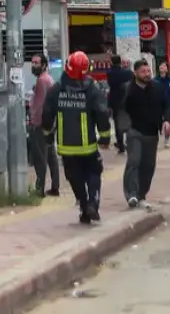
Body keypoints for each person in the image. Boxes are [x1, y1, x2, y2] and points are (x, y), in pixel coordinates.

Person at [41, 51, 111, 224]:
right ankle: (92, 204)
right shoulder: (92, 89)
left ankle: (84, 206)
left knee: (74, 177)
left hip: (66, 146)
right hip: (88, 145)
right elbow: (102, 113)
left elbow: (47, 115)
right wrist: (105, 138)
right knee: (94, 173)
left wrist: (47, 135)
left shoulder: (56, 89)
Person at [122, 59, 169, 209]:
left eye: (148, 71)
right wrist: (125, 129)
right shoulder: (128, 89)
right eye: (143, 72)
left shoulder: (157, 88)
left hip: (152, 133)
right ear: (135, 73)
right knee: (134, 161)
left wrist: (167, 120)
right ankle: (132, 194)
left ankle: (141, 195)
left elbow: (167, 105)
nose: (147, 74)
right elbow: (121, 110)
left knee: (149, 165)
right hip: (134, 131)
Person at [27, 54, 60, 197]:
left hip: (40, 124)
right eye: (33, 63)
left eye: (36, 63)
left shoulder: (42, 81)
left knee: (40, 158)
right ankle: (55, 186)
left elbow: (39, 106)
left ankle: (39, 189)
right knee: (51, 156)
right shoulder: (49, 79)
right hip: (50, 124)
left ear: (44, 65)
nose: (34, 65)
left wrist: (33, 121)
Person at [105, 55, 133, 153]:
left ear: (111, 62)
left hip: (115, 101)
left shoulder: (110, 74)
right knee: (129, 121)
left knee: (117, 123)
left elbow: (110, 86)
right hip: (127, 100)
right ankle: (130, 142)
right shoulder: (128, 73)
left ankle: (120, 145)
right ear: (120, 62)